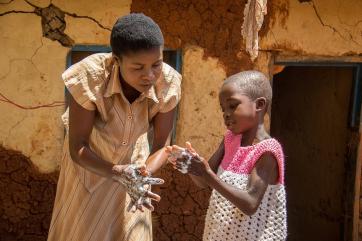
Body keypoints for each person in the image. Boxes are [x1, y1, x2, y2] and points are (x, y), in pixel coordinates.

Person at [48, 13, 181, 241]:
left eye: (156, 64)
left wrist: (141, 176)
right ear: (116, 61)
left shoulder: (167, 82)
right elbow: (77, 147)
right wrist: (118, 172)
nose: (149, 75)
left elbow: (162, 146)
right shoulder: (91, 76)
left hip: (134, 182)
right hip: (87, 177)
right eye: (138, 67)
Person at [167, 70, 287, 240]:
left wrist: (206, 173)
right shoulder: (230, 140)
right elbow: (204, 182)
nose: (226, 114)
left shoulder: (267, 150)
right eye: (223, 109)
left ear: (259, 105)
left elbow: (250, 203)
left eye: (233, 106)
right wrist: (191, 166)